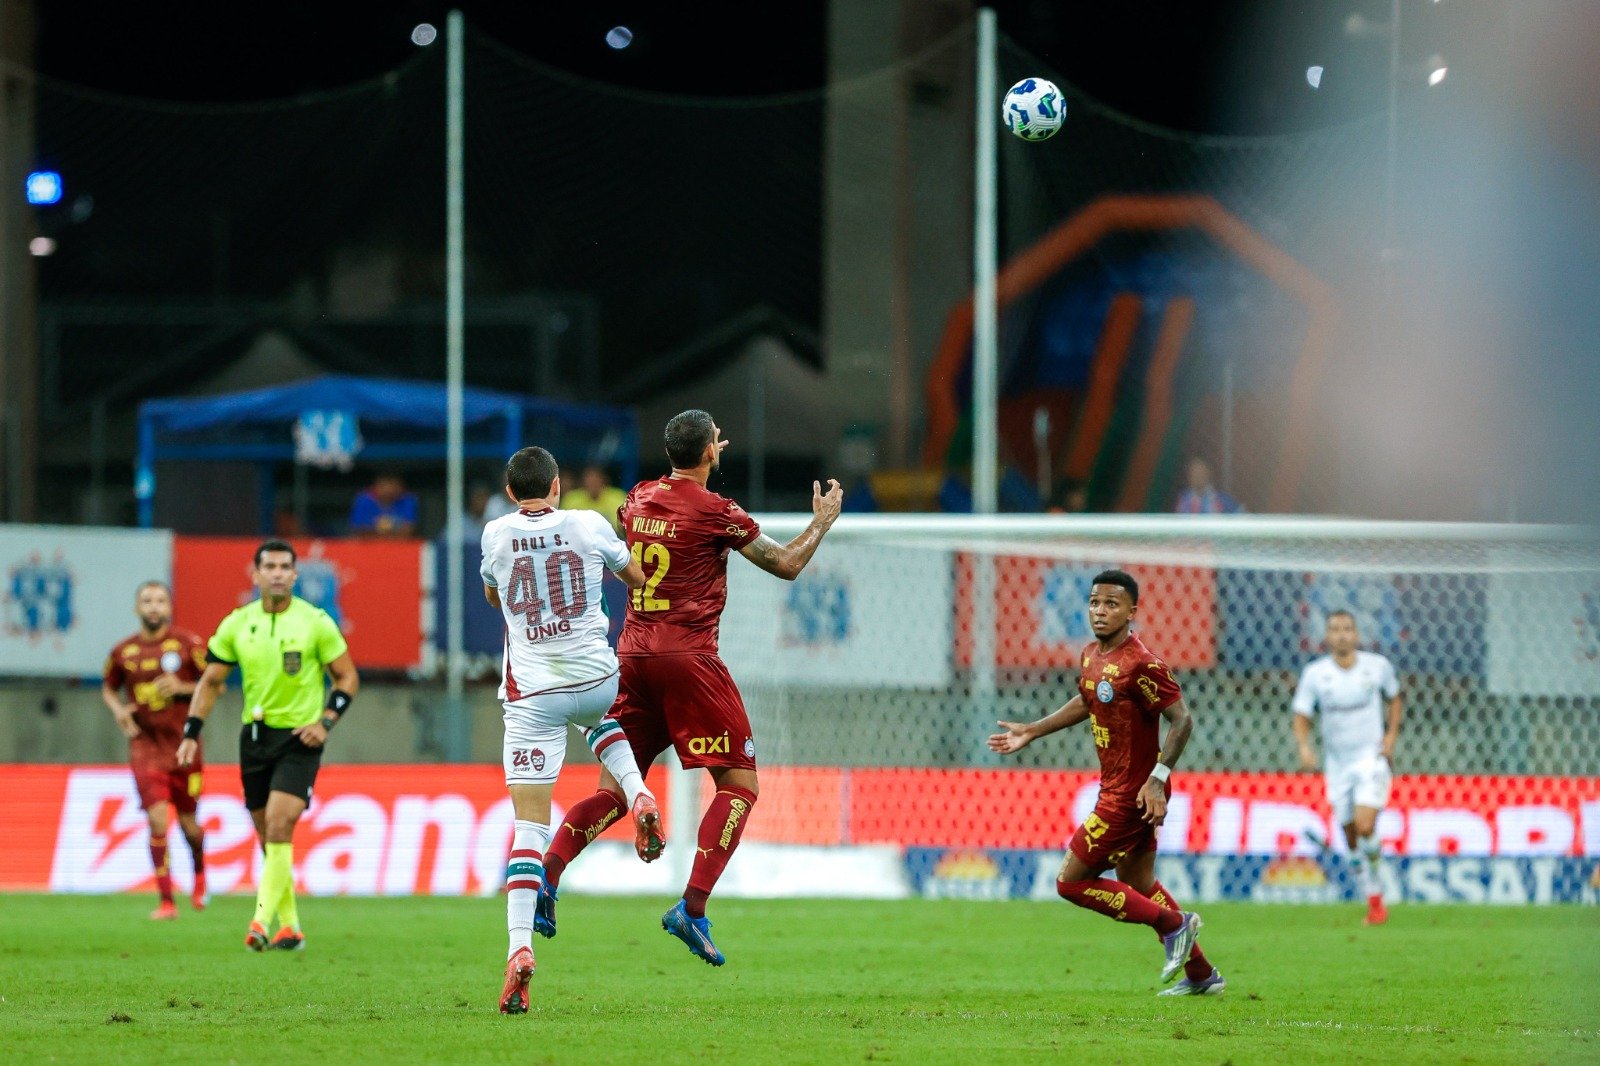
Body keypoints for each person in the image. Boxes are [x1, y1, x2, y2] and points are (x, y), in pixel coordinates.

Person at [540, 409, 844, 966]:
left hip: (631, 656)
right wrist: (822, 520)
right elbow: (786, 564)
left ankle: (548, 877)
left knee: (614, 789)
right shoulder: (716, 511)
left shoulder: (635, 498)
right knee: (739, 782)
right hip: (687, 658)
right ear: (711, 452)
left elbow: (659, 519)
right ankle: (693, 908)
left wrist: (697, 453)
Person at [480, 445, 662, 1015]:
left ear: (512, 492)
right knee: (601, 720)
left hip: (534, 694)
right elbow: (635, 576)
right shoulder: (588, 523)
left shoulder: (495, 533)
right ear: (558, 485)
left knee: (529, 829)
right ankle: (638, 792)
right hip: (597, 676)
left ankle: (518, 950)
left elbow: (494, 594)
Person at [988, 569, 1223, 995]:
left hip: (1133, 795)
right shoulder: (1092, 656)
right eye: (1095, 602)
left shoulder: (1143, 664)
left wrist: (1157, 778)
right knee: (1138, 880)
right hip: (1117, 788)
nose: (1100, 611)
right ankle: (1202, 974)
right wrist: (1034, 730)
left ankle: (1175, 924)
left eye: (1112, 604)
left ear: (1132, 612)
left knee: (1070, 882)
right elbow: (1088, 697)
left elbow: (1182, 720)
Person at [177, 539, 360, 952]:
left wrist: (326, 722)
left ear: (295, 575)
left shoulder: (316, 622)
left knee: (279, 825)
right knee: (268, 838)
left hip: (300, 738)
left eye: (284, 567)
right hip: (255, 739)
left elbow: (347, 678)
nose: (277, 573)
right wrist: (190, 731)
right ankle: (291, 927)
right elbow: (211, 682)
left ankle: (259, 921)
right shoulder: (236, 624)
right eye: (269, 566)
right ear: (255, 574)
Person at [100, 581, 210, 920]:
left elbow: (213, 685)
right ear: (137, 608)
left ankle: (200, 874)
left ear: (169, 606)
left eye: (160, 600)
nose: (153, 607)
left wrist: (182, 687)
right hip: (145, 747)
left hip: (183, 747)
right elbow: (108, 688)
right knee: (157, 820)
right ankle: (166, 901)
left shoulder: (189, 644)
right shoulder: (123, 652)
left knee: (190, 826)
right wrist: (118, 710)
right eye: (147, 601)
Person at [1292, 610, 1404, 926]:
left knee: (1366, 825)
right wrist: (1304, 746)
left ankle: (1375, 876)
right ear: (1327, 637)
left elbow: (1395, 698)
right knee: (1351, 837)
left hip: (1370, 758)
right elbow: (1302, 714)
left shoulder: (1377, 666)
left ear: (1356, 635)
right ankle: (1375, 900)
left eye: (1347, 629)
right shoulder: (1315, 674)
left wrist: (1391, 737)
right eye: (1335, 630)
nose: (1341, 635)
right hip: (1337, 763)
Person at [561, 464, 628, 535]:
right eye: (589, 481)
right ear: (583, 482)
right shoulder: (571, 499)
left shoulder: (618, 497)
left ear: (603, 480)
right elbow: (564, 527)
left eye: (596, 480)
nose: (592, 484)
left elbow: (621, 527)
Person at [349, 470, 419, 537]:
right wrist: (392, 533)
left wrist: (377, 532)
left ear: (401, 487)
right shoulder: (363, 500)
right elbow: (359, 532)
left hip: (399, 546)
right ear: (376, 486)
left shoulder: (408, 500)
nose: (389, 490)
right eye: (384, 486)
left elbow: (408, 531)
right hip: (368, 546)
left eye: (393, 486)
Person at [1173, 456, 1243, 514]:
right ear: (1189, 475)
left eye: (1201, 472)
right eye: (1194, 472)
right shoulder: (1183, 499)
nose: (1197, 476)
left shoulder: (1221, 499)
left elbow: (1243, 519)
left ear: (1208, 474)